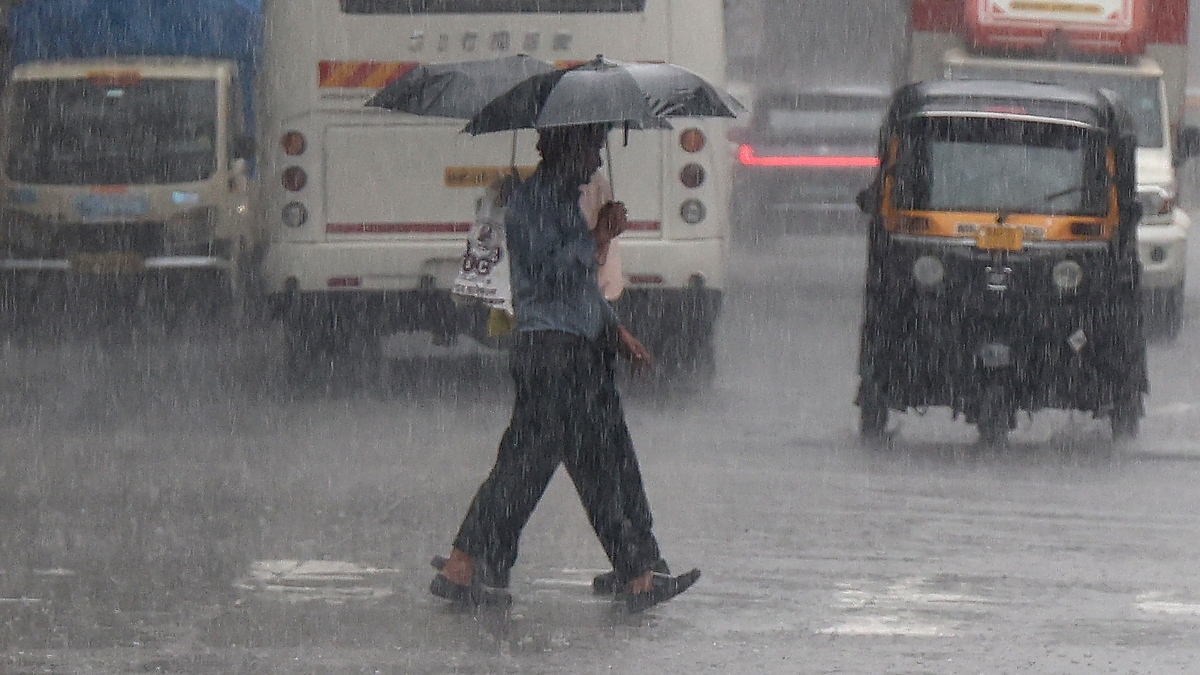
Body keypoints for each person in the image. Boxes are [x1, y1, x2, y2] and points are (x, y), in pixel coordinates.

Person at [429, 123, 700, 613]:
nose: (595, 161)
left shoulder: (562, 201)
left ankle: (474, 565)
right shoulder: (534, 202)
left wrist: (615, 331)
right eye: (589, 148)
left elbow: (580, 289)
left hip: (577, 348)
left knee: (550, 463)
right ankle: (633, 572)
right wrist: (599, 236)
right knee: (557, 466)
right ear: (560, 147)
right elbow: (551, 275)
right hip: (553, 352)